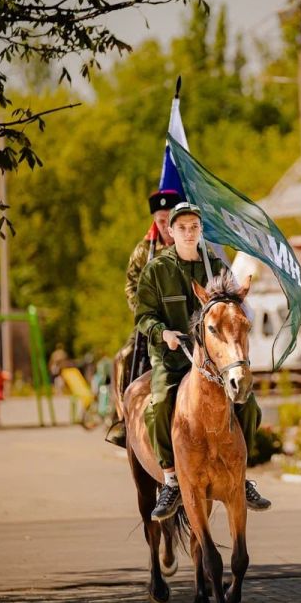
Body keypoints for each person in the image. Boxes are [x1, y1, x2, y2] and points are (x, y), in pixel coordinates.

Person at [135, 202, 271, 520]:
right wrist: (162, 331)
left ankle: (242, 477)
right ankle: (170, 479)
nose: (188, 232)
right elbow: (143, 316)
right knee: (157, 406)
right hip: (172, 357)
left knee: (249, 405)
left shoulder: (214, 266)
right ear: (170, 230)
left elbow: (231, 306)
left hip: (211, 361)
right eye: (181, 227)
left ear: (200, 230)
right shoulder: (156, 269)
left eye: (194, 227)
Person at [106, 188, 181, 447]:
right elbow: (131, 285)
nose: (164, 225)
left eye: (168, 218)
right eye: (160, 220)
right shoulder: (144, 250)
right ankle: (122, 420)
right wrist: (144, 312)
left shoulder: (188, 244)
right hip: (151, 322)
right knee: (124, 358)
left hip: (185, 322)